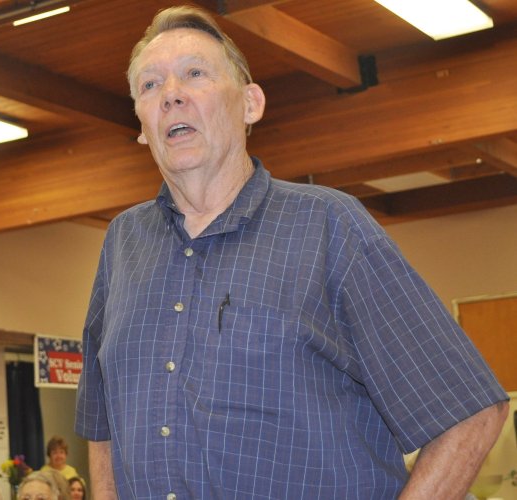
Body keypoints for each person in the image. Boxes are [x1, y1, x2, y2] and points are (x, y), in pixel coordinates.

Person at [75, 5, 509, 499]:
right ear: (140, 124)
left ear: (250, 104)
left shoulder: (329, 225)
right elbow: (101, 421)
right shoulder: (123, 243)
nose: (171, 94)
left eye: (195, 74)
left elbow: (471, 413)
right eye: (150, 85)